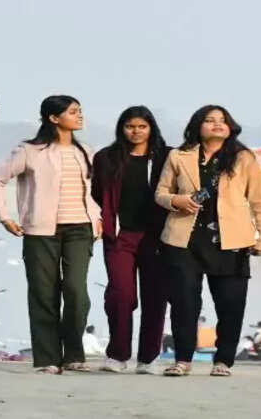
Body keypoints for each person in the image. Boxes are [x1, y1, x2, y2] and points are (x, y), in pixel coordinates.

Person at [155, 105, 261, 377]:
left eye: (223, 120)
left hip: (230, 242)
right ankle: (182, 360)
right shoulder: (178, 156)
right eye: (210, 120)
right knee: (184, 303)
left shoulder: (243, 158)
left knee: (231, 305)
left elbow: (260, 201)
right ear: (198, 126)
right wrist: (177, 200)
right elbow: (161, 193)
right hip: (184, 240)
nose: (217, 124)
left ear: (230, 127)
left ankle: (223, 361)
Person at [0, 95, 102, 374]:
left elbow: (96, 190)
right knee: (43, 293)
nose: (79, 115)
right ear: (53, 118)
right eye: (73, 111)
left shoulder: (86, 151)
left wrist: (98, 218)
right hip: (40, 231)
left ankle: (73, 354)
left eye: (80, 110)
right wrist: (4, 217)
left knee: (77, 292)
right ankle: (48, 358)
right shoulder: (29, 151)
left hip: (81, 229)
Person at [91, 105, 171, 374]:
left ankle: (148, 358)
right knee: (121, 294)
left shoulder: (167, 156)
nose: (136, 132)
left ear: (151, 128)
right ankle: (118, 355)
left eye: (142, 126)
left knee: (155, 296)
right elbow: (97, 193)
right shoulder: (106, 158)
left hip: (158, 237)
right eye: (130, 126)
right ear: (121, 128)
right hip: (120, 236)